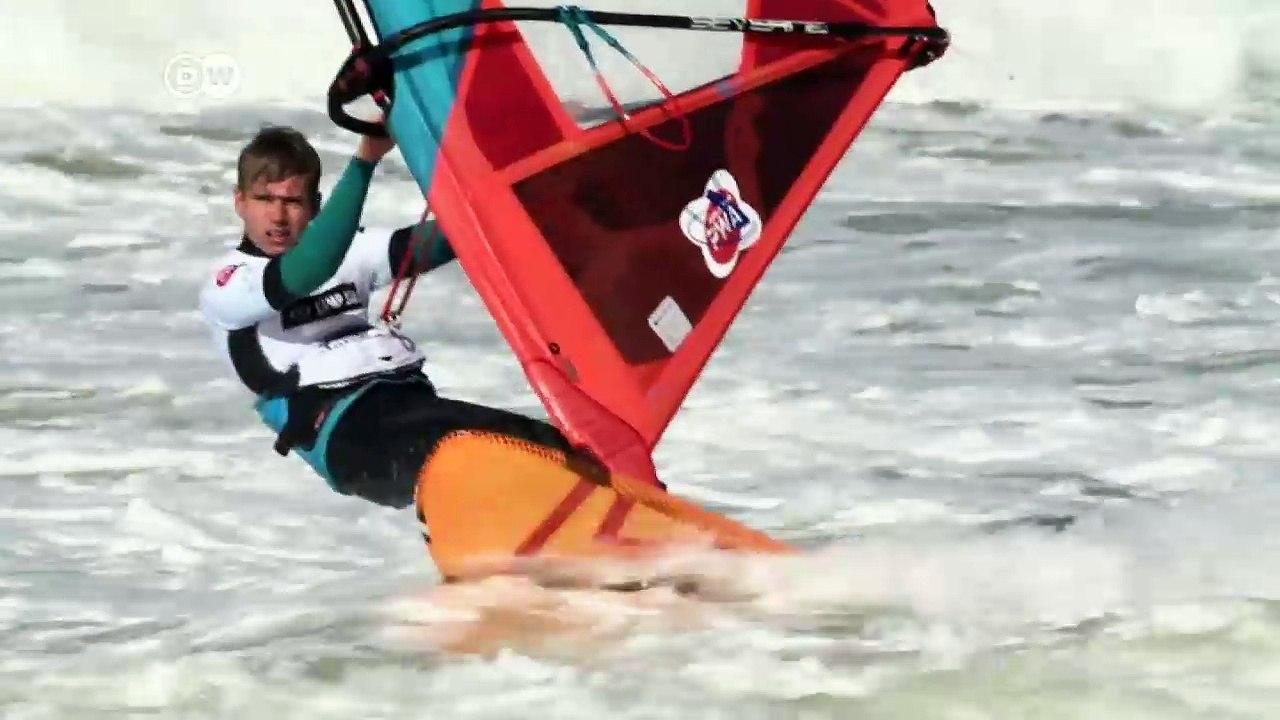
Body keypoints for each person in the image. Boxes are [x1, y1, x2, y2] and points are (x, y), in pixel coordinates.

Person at [198, 123, 577, 509]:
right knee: (478, 462)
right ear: (240, 201)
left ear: (315, 206)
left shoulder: (351, 252)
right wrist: (365, 160)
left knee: (543, 445)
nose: (278, 216)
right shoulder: (231, 284)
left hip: (406, 403)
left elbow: (449, 237)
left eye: (293, 202)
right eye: (264, 199)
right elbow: (308, 269)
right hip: (342, 432)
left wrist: (530, 190)